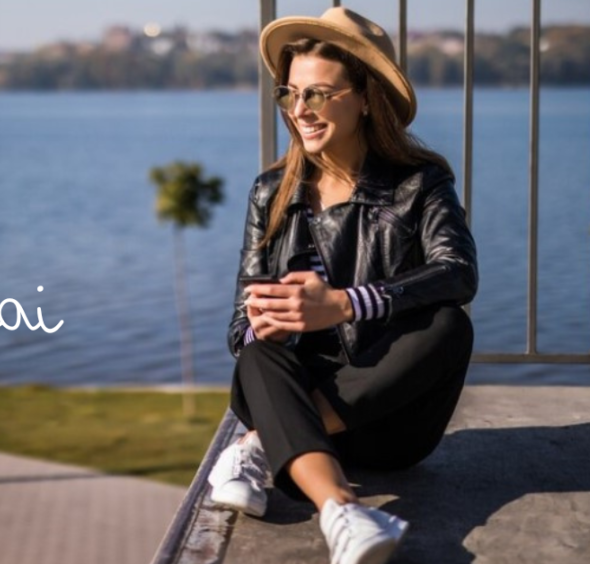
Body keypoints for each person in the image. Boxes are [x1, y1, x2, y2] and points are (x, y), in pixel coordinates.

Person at [205, 6, 478, 564]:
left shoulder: (420, 183)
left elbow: (459, 272)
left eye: (319, 94)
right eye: (291, 94)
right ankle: (343, 513)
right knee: (257, 358)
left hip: (389, 423)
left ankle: (256, 447)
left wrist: (344, 305)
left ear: (364, 97)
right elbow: (238, 324)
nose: (300, 111)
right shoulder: (270, 193)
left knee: (450, 323)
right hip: (287, 392)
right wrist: (263, 326)